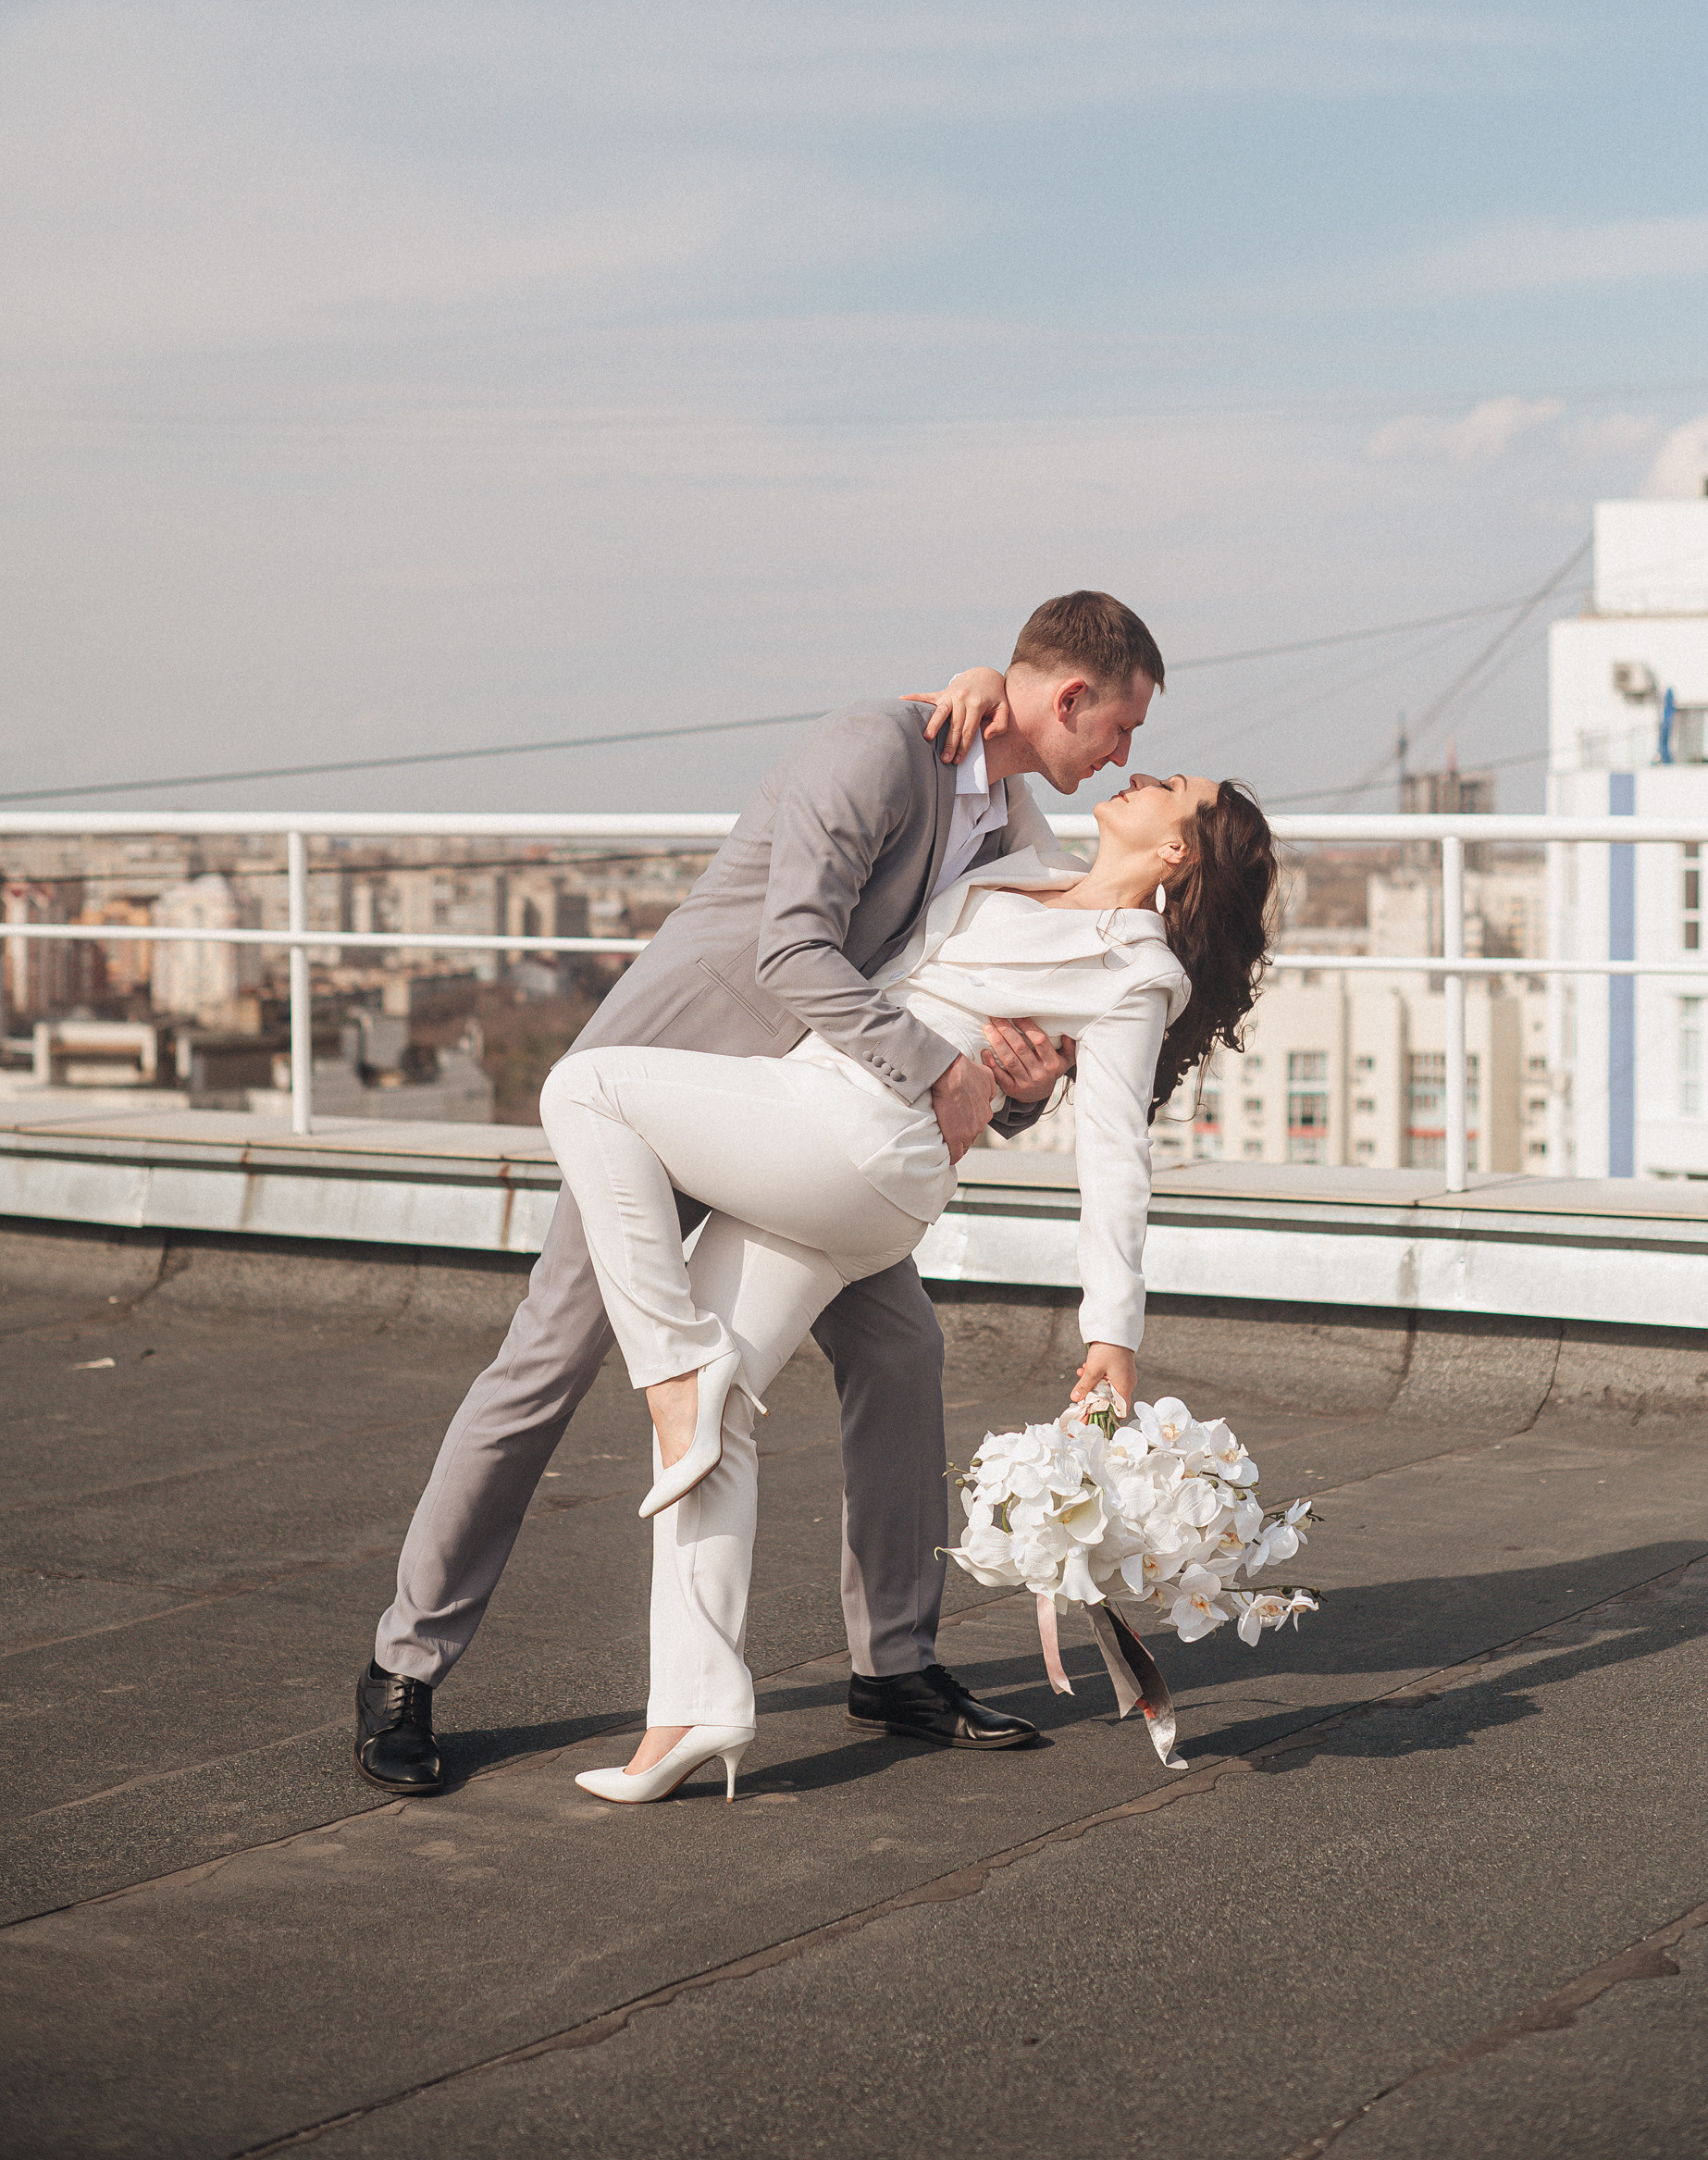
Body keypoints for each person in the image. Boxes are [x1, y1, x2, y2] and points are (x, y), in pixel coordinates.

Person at [355, 591, 1166, 1794]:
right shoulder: (876, 750)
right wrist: (935, 1070)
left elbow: (987, 1018)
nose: (1124, 755)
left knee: (899, 1352)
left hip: (815, 1126)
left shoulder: (1016, 834)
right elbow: (792, 951)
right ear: (1068, 696)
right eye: (1120, 726)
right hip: (677, 1086)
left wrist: (1017, 1085)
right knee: (547, 1363)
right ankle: (405, 1665)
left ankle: (893, 1662)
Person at [550, 766, 1277, 1803]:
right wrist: (971, 693)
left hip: (854, 1142)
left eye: (1167, 786)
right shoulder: (1029, 868)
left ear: (1176, 852)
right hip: (816, 1141)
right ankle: (694, 1708)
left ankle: (670, 1366)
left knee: (585, 1086)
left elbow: (1115, 1154)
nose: (1135, 773)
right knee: (714, 1426)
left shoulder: (1135, 971)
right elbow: (1000, 750)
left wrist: (1111, 1332)